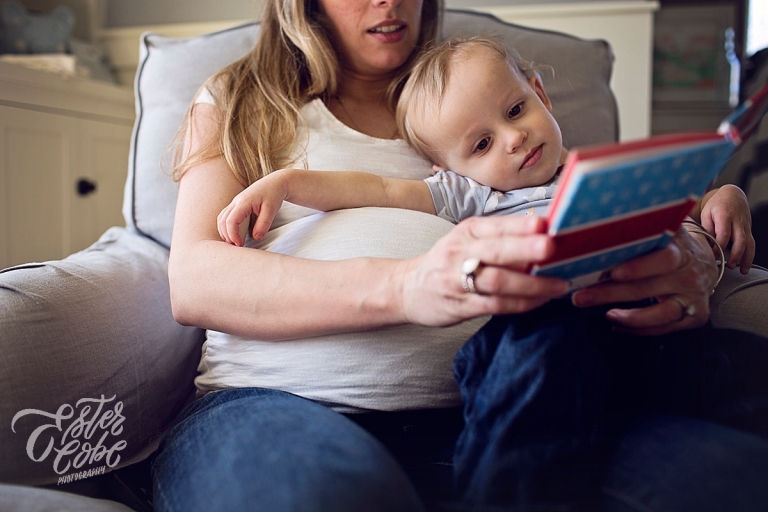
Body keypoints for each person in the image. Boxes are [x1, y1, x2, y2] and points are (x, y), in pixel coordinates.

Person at [157, 0, 768, 509]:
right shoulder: (243, 97)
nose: (389, 2)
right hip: (280, 405)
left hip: (515, 416)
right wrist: (409, 286)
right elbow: (195, 281)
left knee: (728, 480)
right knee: (328, 497)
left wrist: (698, 245)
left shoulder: (473, 83)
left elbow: (645, 203)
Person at [216, 36, 755, 278]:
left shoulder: (605, 171)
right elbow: (377, 189)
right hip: (545, 328)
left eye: (516, 110)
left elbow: (679, 197)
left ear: (541, 95)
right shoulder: (474, 194)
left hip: (636, 309)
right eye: (481, 144)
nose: (513, 138)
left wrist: (722, 197)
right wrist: (286, 183)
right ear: (451, 169)